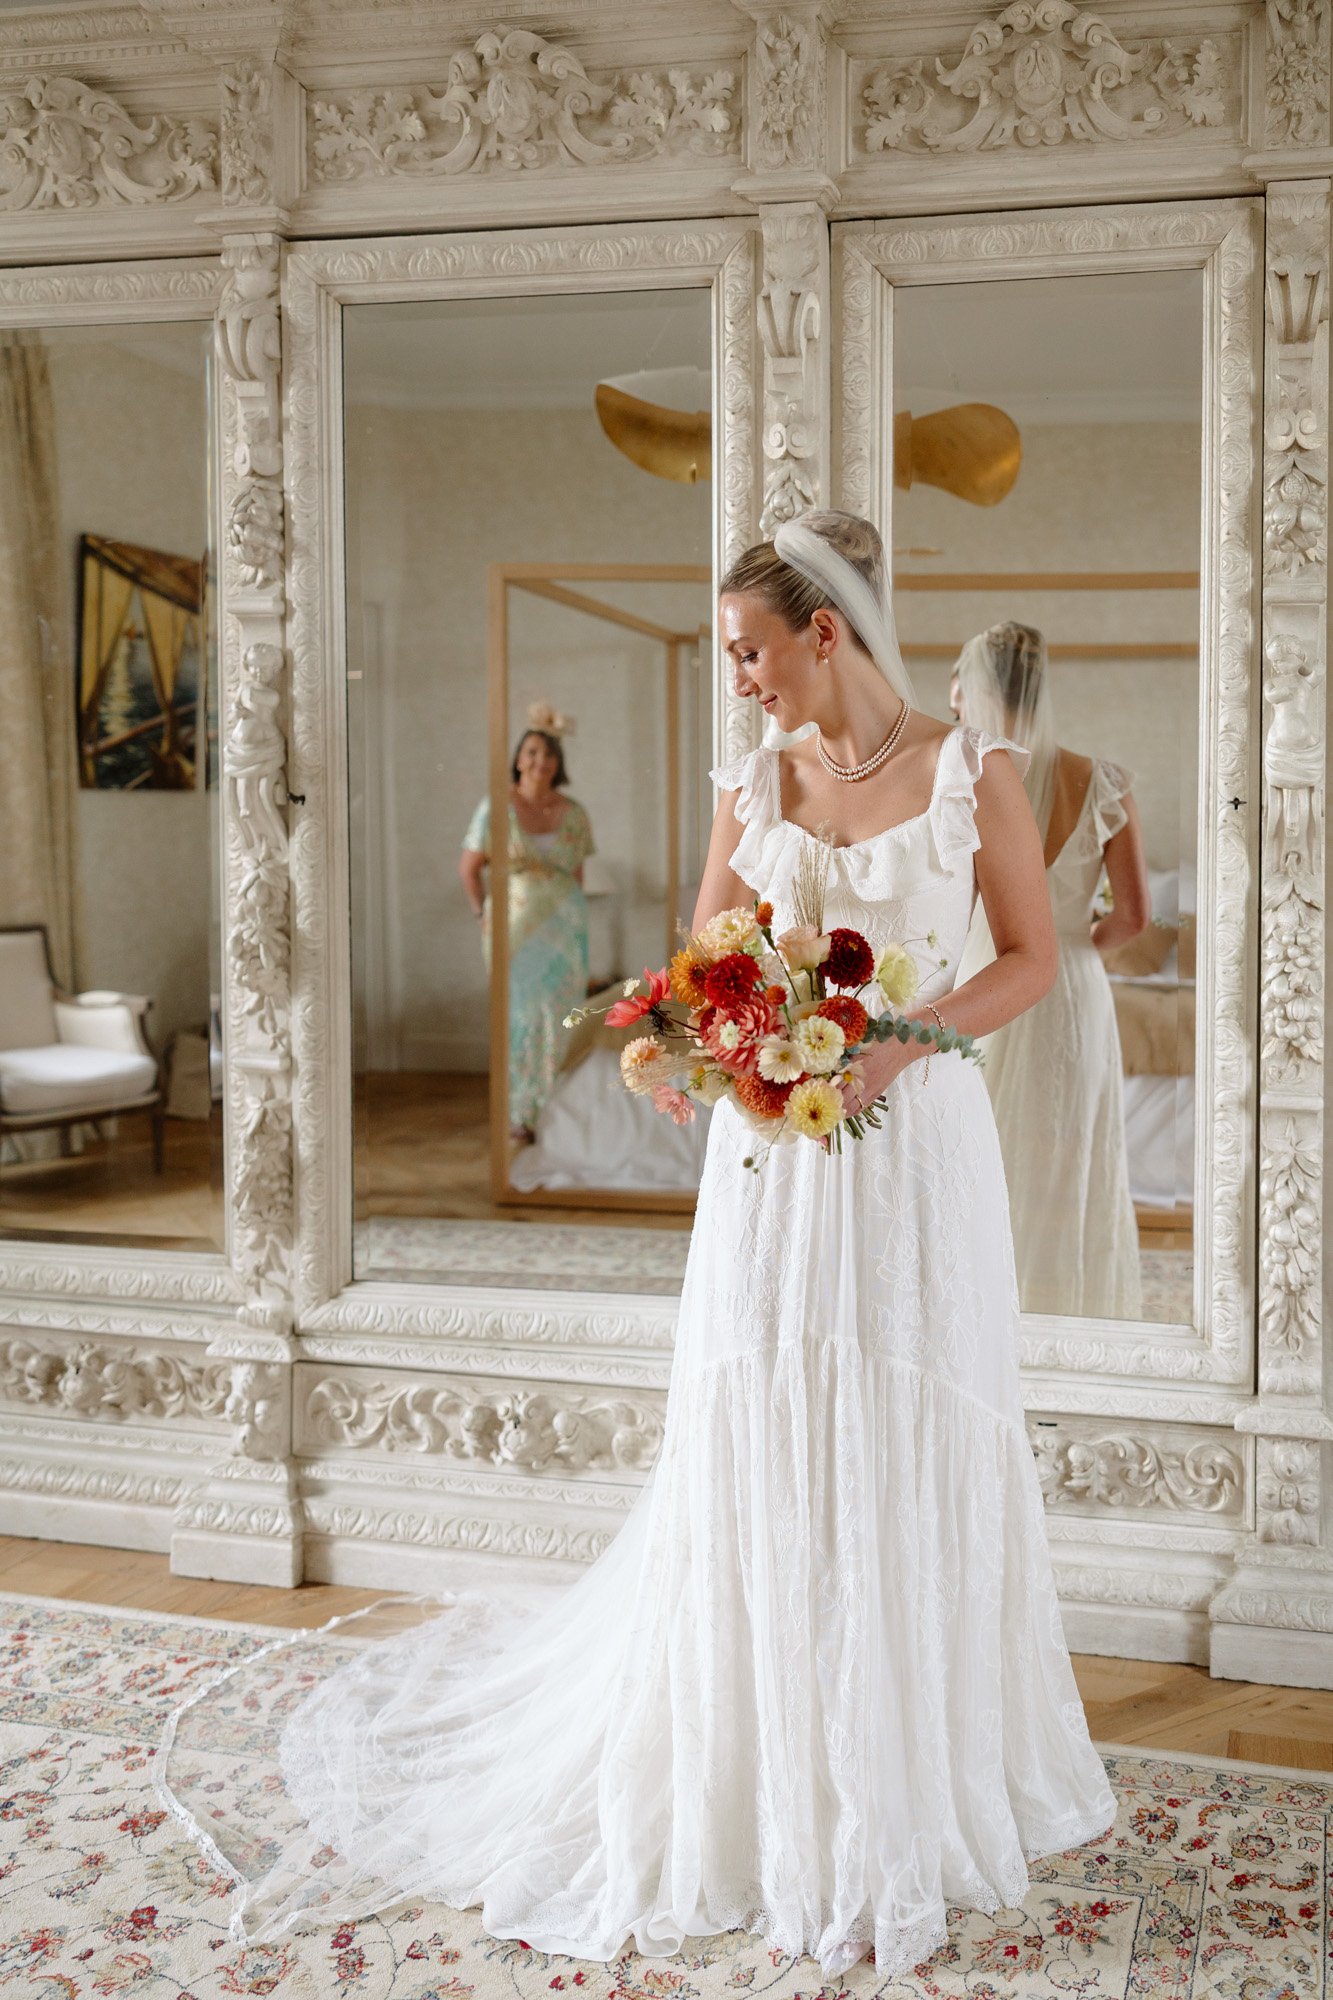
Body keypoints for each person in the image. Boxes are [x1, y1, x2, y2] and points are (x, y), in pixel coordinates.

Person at [160, 513, 1115, 1980]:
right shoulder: (758, 781)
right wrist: (692, 1045)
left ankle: (906, 1766)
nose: (740, 679)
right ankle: (755, 1761)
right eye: (730, 653)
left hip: (916, 1152)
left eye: (749, 650)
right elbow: (703, 963)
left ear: (826, 630)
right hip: (770, 1161)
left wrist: (896, 1048)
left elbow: (1032, 962)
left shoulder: (969, 775)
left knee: (904, 1414)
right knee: (762, 1422)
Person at [952, 622, 1150, 1319]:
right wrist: (1068, 953)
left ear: (976, 688)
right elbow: (1132, 918)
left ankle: (976, 1307)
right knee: (1068, 1151)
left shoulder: (969, 779)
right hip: (1071, 983)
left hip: (985, 973)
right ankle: (1067, 1312)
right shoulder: (1106, 783)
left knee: (975, 1146)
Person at [459, 711, 594, 1142]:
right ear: (518, 757)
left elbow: (577, 875)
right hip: (514, 930)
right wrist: (483, 916)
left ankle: (555, 1109)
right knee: (519, 1018)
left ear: (559, 762)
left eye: (550, 754)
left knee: (561, 1015)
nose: (541, 761)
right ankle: (520, 1113)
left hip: (566, 929)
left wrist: (576, 921)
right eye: (533, 751)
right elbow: (469, 869)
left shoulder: (574, 812)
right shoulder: (496, 807)